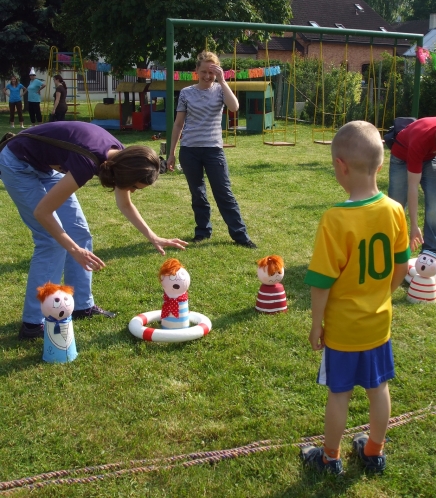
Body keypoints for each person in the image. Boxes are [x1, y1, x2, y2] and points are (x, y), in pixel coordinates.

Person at [0, 121, 188, 340]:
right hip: (17, 162)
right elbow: (43, 212)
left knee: (79, 233)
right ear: (126, 176)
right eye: (134, 187)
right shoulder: (86, 162)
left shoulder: (120, 156)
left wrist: (152, 236)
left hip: (46, 166)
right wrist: (74, 250)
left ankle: (81, 305)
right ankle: (34, 323)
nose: (133, 191)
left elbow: (125, 204)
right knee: (50, 241)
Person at [302, 121, 410, 474]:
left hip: (344, 329)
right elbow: (401, 265)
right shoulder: (395, 209)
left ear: (340, 165)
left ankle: (330, 458)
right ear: (381, 164)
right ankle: (374, 451)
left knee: (340, 394)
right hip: (378, 323)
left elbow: (321, 283)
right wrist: (383, 295)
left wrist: (316, 324)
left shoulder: (335, 219)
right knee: (379, 388)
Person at [167, 51, 256, 248]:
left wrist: (223, 81)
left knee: (224, 192)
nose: (208, 76)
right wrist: (171, 153)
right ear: (196, 71)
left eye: (212, 72)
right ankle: (202, 231)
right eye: (204, 72)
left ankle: (240, 236)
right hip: (189, 150)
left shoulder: (220, 90)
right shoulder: (186, 93)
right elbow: (178, 124)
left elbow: (234, 107)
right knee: (198, 194)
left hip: (213, 150)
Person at [388, 115, 436, 255]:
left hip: (431, 156)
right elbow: (413, 187)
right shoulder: (420, 139)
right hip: (402, 157)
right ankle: (394, 247)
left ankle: (430, 251)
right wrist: (414, 226)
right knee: (396, 204)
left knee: (435, 199)